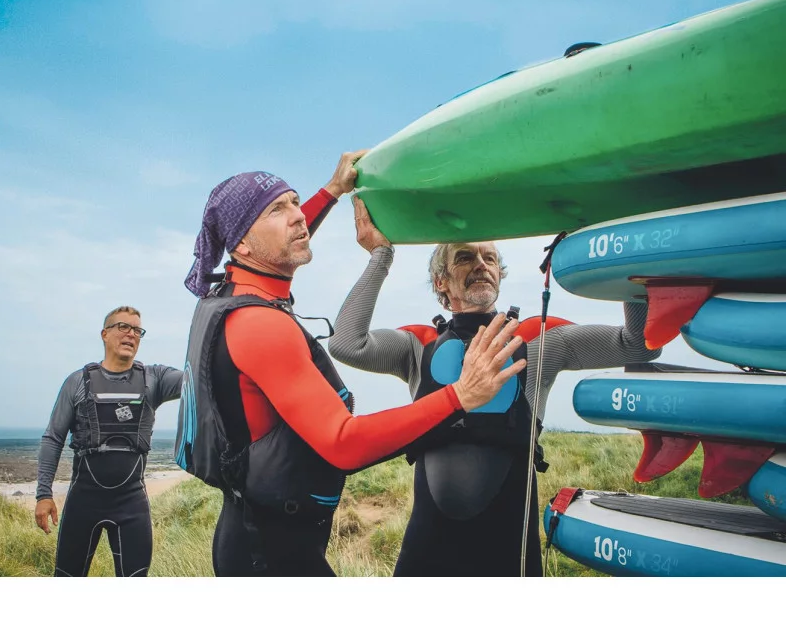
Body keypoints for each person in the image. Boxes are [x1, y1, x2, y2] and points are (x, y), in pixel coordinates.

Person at [177, 152, 526, 577]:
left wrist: (333, 191)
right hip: (268, 552)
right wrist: (460, 396)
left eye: (295, 202)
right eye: (276, 209)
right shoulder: (260, 325)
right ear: (242, 244)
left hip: (257, 529)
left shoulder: (228, 294)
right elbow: (344, 443)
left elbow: (270, 238)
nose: (298, 217)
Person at [328, 197, 661, 577]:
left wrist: (627, 261)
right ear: (441, 281)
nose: (481, 265)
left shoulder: (538, 341)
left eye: (489, 258)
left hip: (508, 549)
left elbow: (640, 345)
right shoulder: (418, 347)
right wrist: (381, 256)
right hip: (428, 548)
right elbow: (346, 344)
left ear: (500, 276)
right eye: (465, 257)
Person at [35, 306, 183, 576]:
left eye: (137, 330)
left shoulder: (154, 379)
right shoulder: (78, 382)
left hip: (132, 505)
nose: (131, 334)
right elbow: (53, 438)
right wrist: (44, 494)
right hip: (83, 502)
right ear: (105, 334)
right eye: (123, 327)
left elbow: (196, 380)